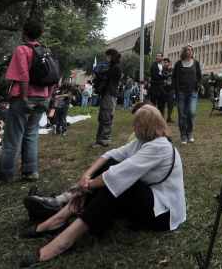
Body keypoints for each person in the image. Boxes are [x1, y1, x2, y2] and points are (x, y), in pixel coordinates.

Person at [17, 105, 186, 267]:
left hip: (163, 214)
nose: (133, 127)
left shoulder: (160, 147)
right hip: (148, 204)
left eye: (136, 123)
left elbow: (117, 176)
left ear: (145, 126)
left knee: (121, 184)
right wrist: (86, 175)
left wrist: (87, 185)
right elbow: (110, 155)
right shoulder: (143, 141)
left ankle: (64, 240)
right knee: (112, 167)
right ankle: (59, 218)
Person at [0, 19, 53, 183]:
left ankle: (4, 174)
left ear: (24, 33)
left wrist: (24, 97)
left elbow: (22, 75)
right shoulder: (45, 50)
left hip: (24, 97)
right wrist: (47, 96)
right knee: (31, 133)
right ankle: (30, 171)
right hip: (42, 97)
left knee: (13, 136)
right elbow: (53, 76)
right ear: (40, 34)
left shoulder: (22, 50)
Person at [93, 49, 122, 148]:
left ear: (112, 56)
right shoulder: (112, 67)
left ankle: (104, 140)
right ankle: (100, 139)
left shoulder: (115, 68)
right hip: (107, 94)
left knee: (106, 117)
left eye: (108, 56)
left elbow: (106, 77)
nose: (106, 58)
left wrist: (100, 73)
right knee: (103, 117)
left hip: (110, 94)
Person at [172, 45, 202, 144]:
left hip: (193, 92)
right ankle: (183, 135)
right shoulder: (178, 64)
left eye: (190, 50)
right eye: (187, 50)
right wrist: (175, 90)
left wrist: (198, 85)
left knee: (191, 113)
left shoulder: (196, 63)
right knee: (182, 114)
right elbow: (174, 77)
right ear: (184, 52)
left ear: (192, 52)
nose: (189, 51)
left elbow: (199, 76)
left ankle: (190, 133)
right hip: (181, 93)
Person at [161, 58, 174, 123]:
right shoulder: (162, 70)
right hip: (163, 89)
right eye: (164, 62)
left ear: (169, 63)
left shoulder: (172, 70)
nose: (165, 63)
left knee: (170, 104)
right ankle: (161, 117)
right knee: (162, 104)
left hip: (171, 89)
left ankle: (169, 117)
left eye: (166, 62)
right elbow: (162, 76)